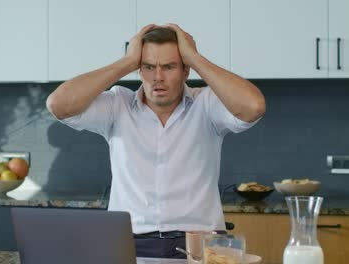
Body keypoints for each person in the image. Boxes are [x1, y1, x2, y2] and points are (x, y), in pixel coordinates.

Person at [46, 23, 266, 259]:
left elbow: (254, 107)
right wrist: (126, 62)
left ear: (186, 71)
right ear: (138, 70)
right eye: (148, 67)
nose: (157, 77)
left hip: (201, 245)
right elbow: (58, 105)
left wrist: (194, 57)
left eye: (169, 67)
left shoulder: (207, 105)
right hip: (128, 243)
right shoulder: (117, 105)